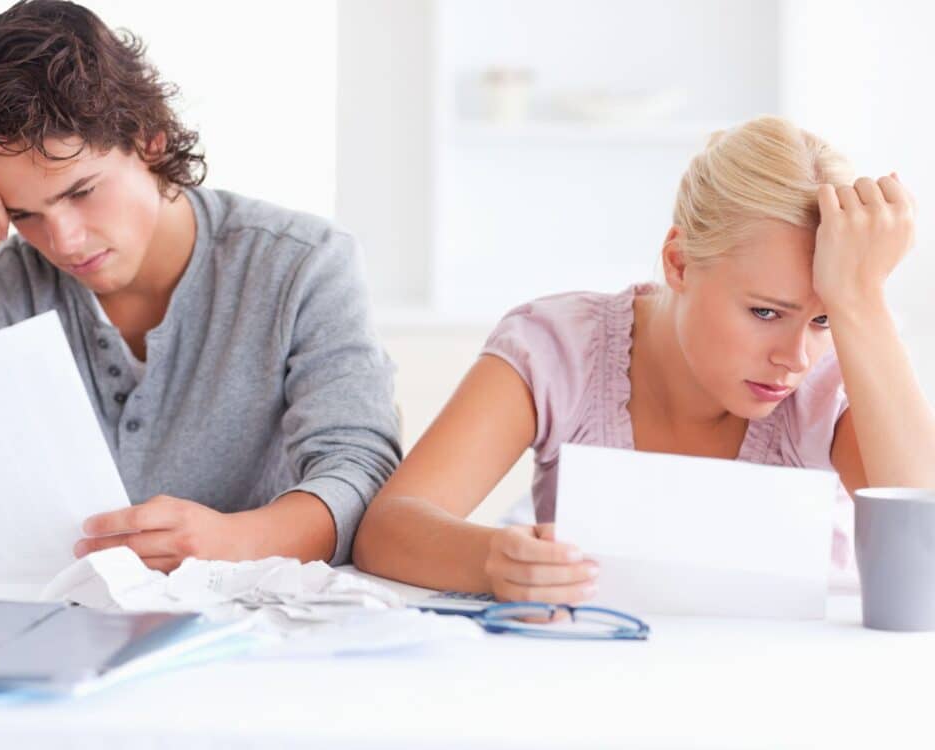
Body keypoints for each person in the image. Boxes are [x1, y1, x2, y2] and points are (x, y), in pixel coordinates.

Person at [0, 0, 401, 570]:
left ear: (149, 142)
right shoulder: (7, 287)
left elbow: (360, 472)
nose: (64, 241)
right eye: (25, 215)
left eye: (80, 192)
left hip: (257, 625)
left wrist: (233, 542)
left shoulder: (302, 266)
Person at [352, 115, 933, 601]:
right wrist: (487, 560)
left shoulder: (839, 377)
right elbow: (389, 528)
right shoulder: (557, 348)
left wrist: (861, 299)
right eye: (764, 312)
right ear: (678, 263)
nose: (795, 359)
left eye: (822, 319)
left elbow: (926, 535)